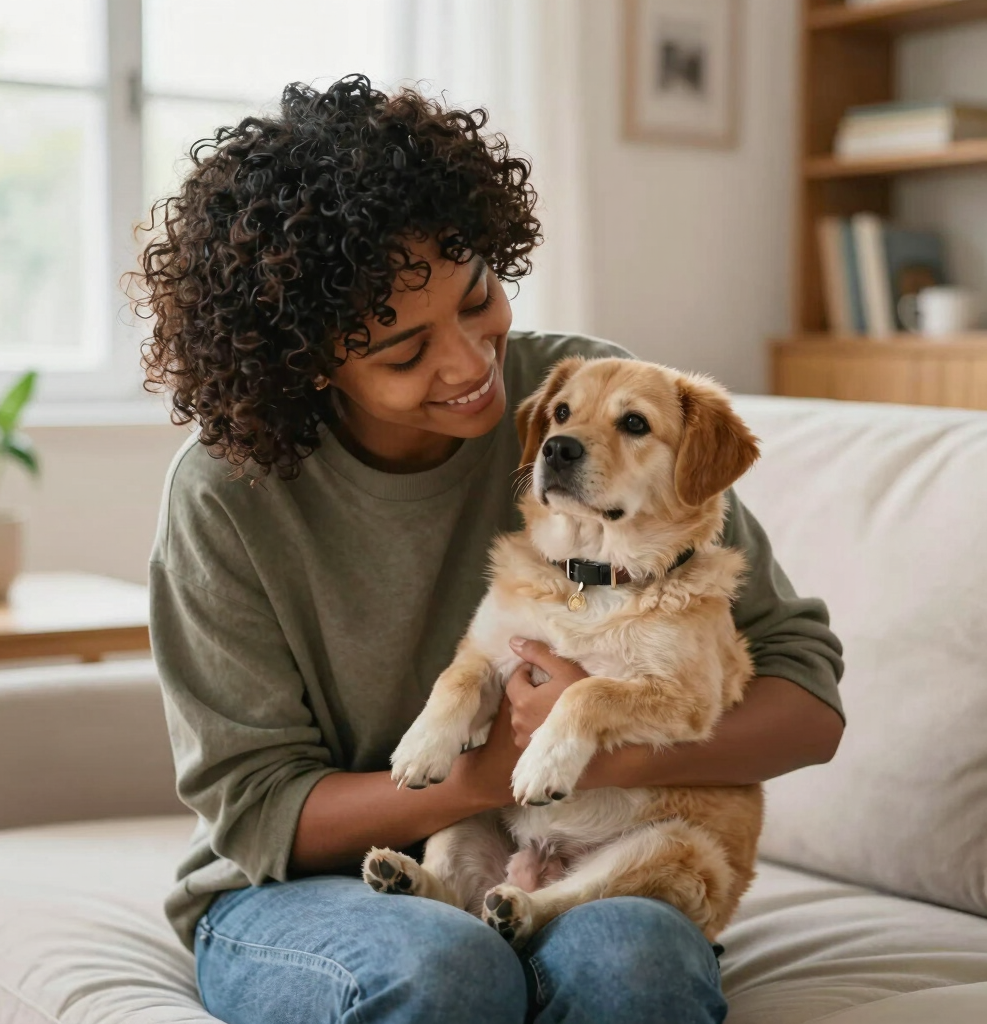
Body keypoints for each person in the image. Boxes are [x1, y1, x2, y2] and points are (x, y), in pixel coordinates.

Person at [137, 75, 844, 1024]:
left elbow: (806, 698)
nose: (471, 365)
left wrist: (599, 751)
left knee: (638, 964)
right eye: (403, 352)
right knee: (445, 971)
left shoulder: (585, 402)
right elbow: (260, 809)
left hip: (586, 840)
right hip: (293, 893)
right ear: (310, 361)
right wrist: (501, 765)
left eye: (478, 298)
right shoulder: (225, 496)